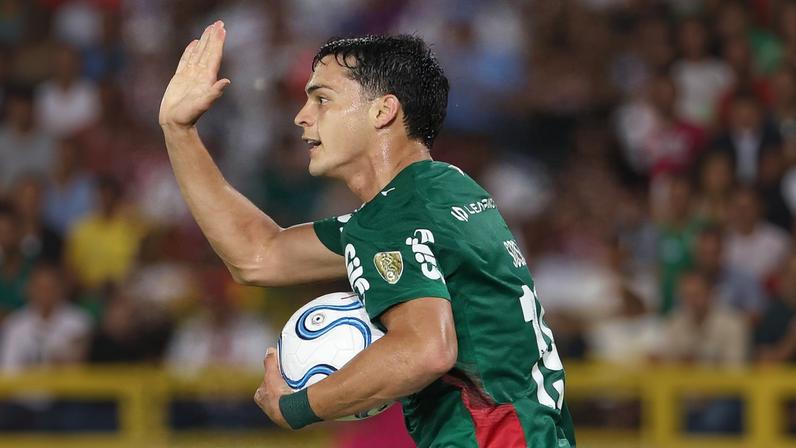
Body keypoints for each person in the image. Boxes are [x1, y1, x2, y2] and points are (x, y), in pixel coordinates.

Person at [159, 22, 575, 447]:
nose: (301, 116)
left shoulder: (396, 213)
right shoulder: (442, 189)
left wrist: (297, 405)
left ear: (382, 111)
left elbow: (425, 350)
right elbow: (258, 253)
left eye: (322, 99)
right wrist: (179, 131)